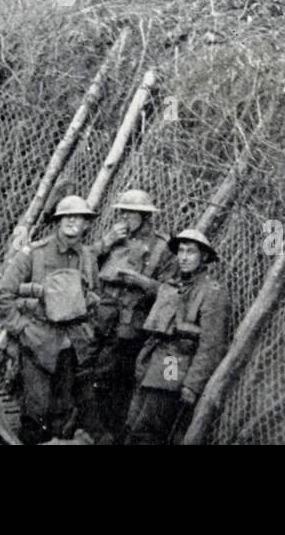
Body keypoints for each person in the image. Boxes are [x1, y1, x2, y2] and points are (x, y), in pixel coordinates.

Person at [0, 194, 102, 444]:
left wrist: (86, 325)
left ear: (86, 223)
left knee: (62, 412)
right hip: (38, 342)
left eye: (80, 217)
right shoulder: (34, 254)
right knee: (36, 411)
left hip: (71, 347)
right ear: (58, 221)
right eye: (68, 216)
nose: (73, 221)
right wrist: (22, 329)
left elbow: (95, 297)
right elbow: (2, 295)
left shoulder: (88, 258)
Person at [125, 228, 232, 444]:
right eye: (181, 251)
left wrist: (192, 384)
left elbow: (212, 344)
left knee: (149, 427)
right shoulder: (172, 284)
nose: (183, 257)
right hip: (151, 360)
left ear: (204, 257)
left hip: (173, 362)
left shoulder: (212, 292)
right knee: (133, 422)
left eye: (190, 252)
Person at [89, 189, 169, 442]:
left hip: (130, 328)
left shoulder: (161, 247)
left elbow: (170, 291)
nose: (125, 217)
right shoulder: (113, 239)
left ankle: (110, 434)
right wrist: (106, 242)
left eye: (131, 212)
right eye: (123, 211)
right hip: (100, 320)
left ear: (145, 216)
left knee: (118, 382)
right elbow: (83, 264)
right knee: (90, 376)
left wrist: (143, 282)